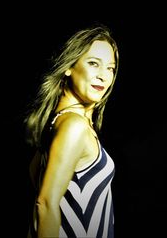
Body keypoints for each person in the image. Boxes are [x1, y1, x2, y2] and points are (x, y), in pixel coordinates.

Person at [25, 24, 119, 238]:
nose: (104, 76)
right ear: (69, 66)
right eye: (94, 63)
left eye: (110, 68)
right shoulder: (73, 126)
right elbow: (46, 203)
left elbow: (34, 175)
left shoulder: (58, 126)